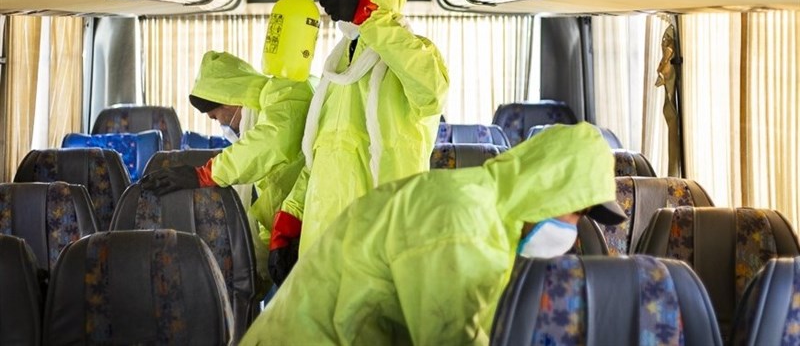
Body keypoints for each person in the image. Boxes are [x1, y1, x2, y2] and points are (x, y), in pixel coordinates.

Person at [240, 122, 626, 346]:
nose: (573, 231)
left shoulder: (489, 217)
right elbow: (452, 336)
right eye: (577, 212)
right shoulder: (463, 219)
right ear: (548, 188)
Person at [268, 0, 450, 285]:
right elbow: (321, 155)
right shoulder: (338, 63)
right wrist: (291, 218)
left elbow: (432, 95)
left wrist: (368, 16)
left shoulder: (413, 53)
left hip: (382, 247)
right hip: (322, 248)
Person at [141, 51, 313, 291]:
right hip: (299, 220)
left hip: (315, 217)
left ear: (229, 100)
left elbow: (272, 142)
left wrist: (205, 174)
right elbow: (271, 202)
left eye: (215, 117)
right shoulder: (262, 117)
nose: (221, 125)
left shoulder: (285, 91)